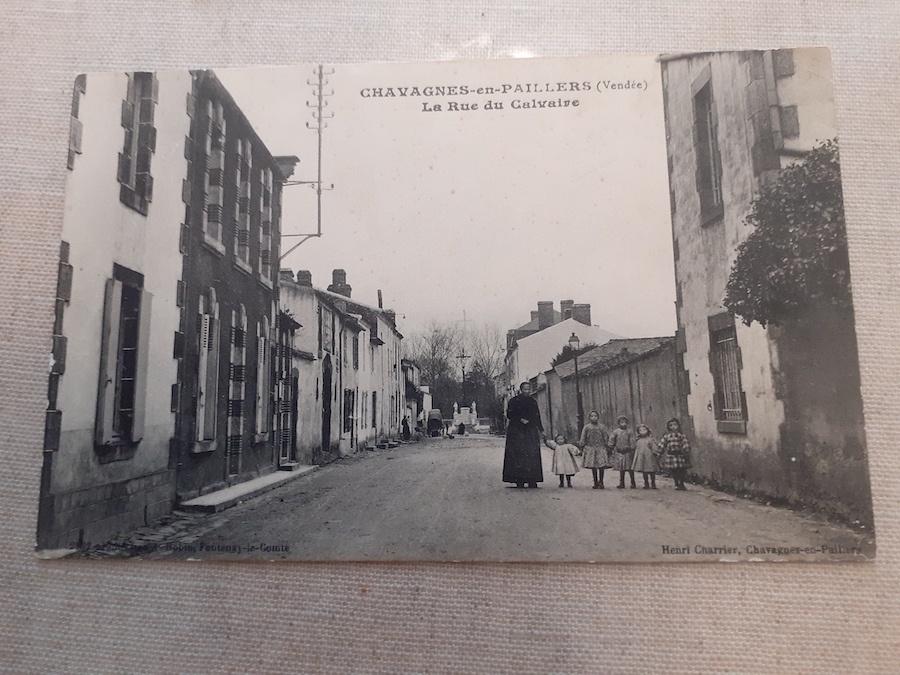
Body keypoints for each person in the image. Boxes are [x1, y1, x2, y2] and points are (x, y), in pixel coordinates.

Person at [502, 381, 544, 488]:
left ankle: (532, 479)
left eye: (529, 389)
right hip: (517, 430)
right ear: (521, 390)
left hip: (530, 430)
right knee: (518, 454)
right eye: (525, 389)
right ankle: (518, 479)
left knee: (532, 454)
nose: (527, 391)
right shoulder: (514, 401)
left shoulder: (532, 401)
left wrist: (541, 429)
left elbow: (536, 415)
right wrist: (520, 419)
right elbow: (509, 414)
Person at [579, 410, 611, 489]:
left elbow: (605, 436)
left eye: (595, 416)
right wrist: (582, 445)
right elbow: (583, 437)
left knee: (601, 466)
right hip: (591, 448)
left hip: (600, 448)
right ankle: (595, 482)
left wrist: (608, 445)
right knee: (593, 466)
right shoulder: (587, 427)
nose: (594, 418)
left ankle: (601, 481)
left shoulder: (602, 427)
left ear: (598, 417)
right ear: (589, 418)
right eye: (592, 416)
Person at [658, 418, 692, 490]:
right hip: (671, 455)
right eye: (671, 425)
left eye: (675, 425)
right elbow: (662, 444)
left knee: (681, 470)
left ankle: (681, 484)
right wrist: (659, 451)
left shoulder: (681, 435)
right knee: (674, 471)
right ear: (668, 427)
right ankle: (676, 483)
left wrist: (686, 450)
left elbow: (685, 443)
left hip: (680, 455)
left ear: (678, 426)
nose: (673, 427)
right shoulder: (667, 436)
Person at [608, 414, 637, 489]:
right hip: (620, 452)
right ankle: (622, 483)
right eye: (621, 422)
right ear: (619, 423)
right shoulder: (616, 432)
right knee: (621, 469)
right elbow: (612, 439)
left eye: (625, 422)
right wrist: (610, 447)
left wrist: (632, 448)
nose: (623, 424)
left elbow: (632, 441)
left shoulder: (630, 432)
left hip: (628, 452)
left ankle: (633, 482)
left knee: (630, 468)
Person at [631, 423, 659, 489]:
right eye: (640, 430)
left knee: (651, 470)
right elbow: (635, 448)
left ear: (647, 430)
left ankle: (653, 483)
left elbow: (654, 447)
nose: (642, 431)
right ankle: (646, 483)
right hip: (642, 457)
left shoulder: (650, 439)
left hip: (649, 457)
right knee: (644, 471)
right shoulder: (638, 440)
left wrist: (655, 452)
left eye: (644, 430)